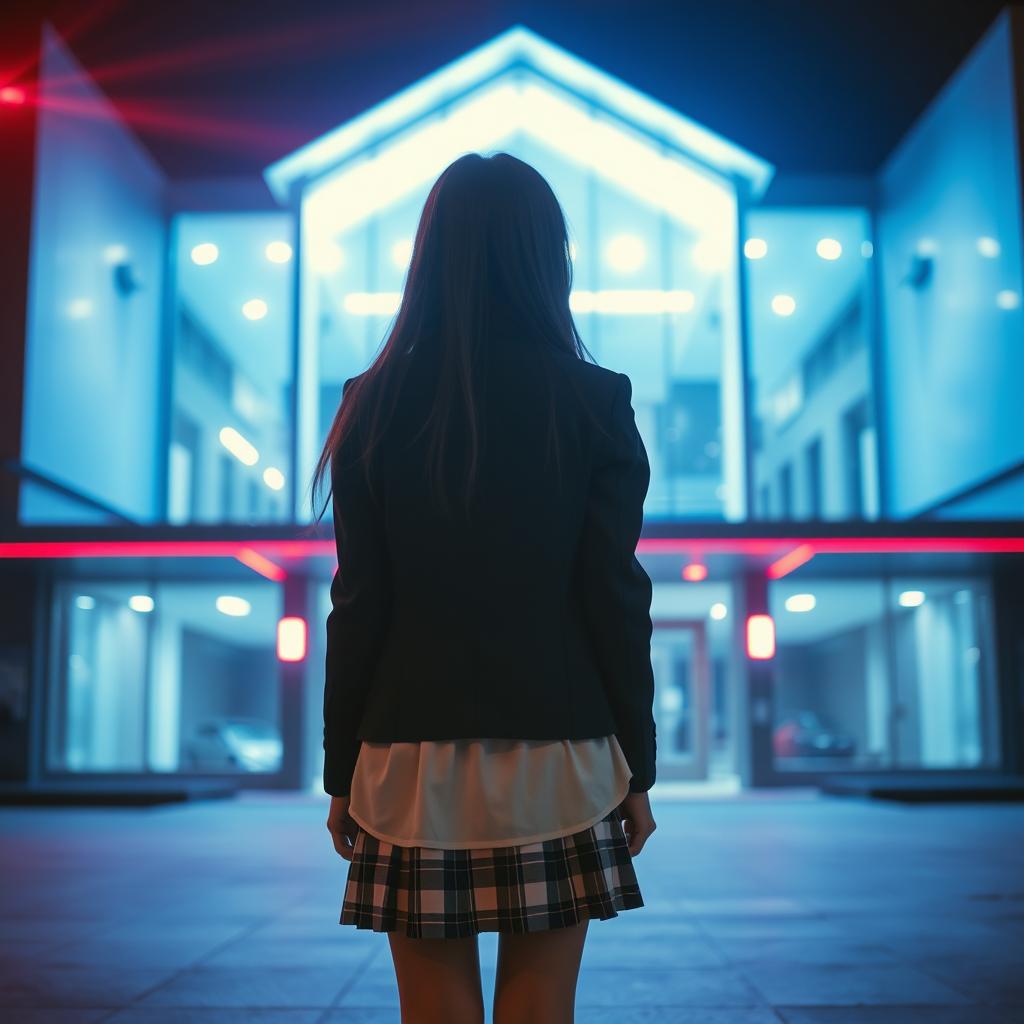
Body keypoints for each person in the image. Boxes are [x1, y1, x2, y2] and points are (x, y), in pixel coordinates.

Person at [309, 151, 658, 1024]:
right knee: (542, 1005)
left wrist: (339, 769)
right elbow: (615, 599)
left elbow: (360, 605)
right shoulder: (593, 400)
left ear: (428, 259)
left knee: (433, 1010)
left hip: (406, 760)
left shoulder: (373, 401)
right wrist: (639, 768)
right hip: (560, 751)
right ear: (552, 258)